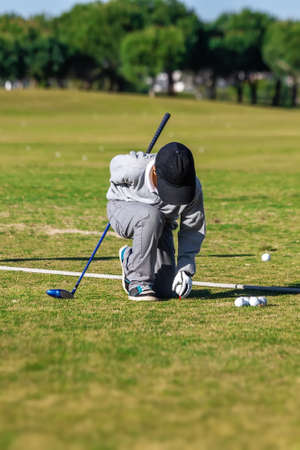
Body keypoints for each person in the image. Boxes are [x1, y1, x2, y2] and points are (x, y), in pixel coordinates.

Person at [106, 142, 206, 301]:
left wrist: (185, 270)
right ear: (154, 171)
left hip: (160, 225)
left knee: (165, 291)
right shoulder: (134, 168)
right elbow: (114, 166)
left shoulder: (194, 188)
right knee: (150, 216)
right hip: (122, 209)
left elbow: (193, 228)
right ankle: (138, 280)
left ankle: (129, 259)